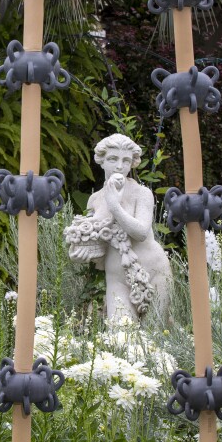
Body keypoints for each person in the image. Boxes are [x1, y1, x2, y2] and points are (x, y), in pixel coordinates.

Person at [66, 133, 171, 322]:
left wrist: (115, 205)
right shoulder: (95, 199)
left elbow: (140, 232)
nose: (120, 166)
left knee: (156, 338)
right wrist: (79, 252)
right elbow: (96, 239)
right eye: (113, 159)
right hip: (117, 276)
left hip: (154, 270)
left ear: (132, 163)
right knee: (120, 339)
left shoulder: (142, 193)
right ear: (102, 161)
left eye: (126, 160)